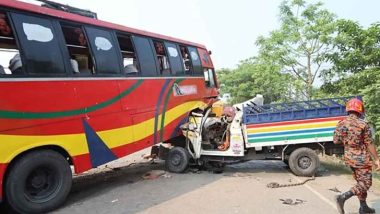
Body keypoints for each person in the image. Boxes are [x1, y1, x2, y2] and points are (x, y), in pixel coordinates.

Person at [333, 98, 380, 214]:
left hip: (349, 157)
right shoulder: (363, 124)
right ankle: (342, 197)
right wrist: (377, 159)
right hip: (361, 159)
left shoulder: (341, 123)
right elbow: (369, 143)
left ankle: (363, 207)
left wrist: (348, 140)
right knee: (366, 183)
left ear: (348, 109)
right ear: (360, 110)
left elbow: (336, 141)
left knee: (360, 182)